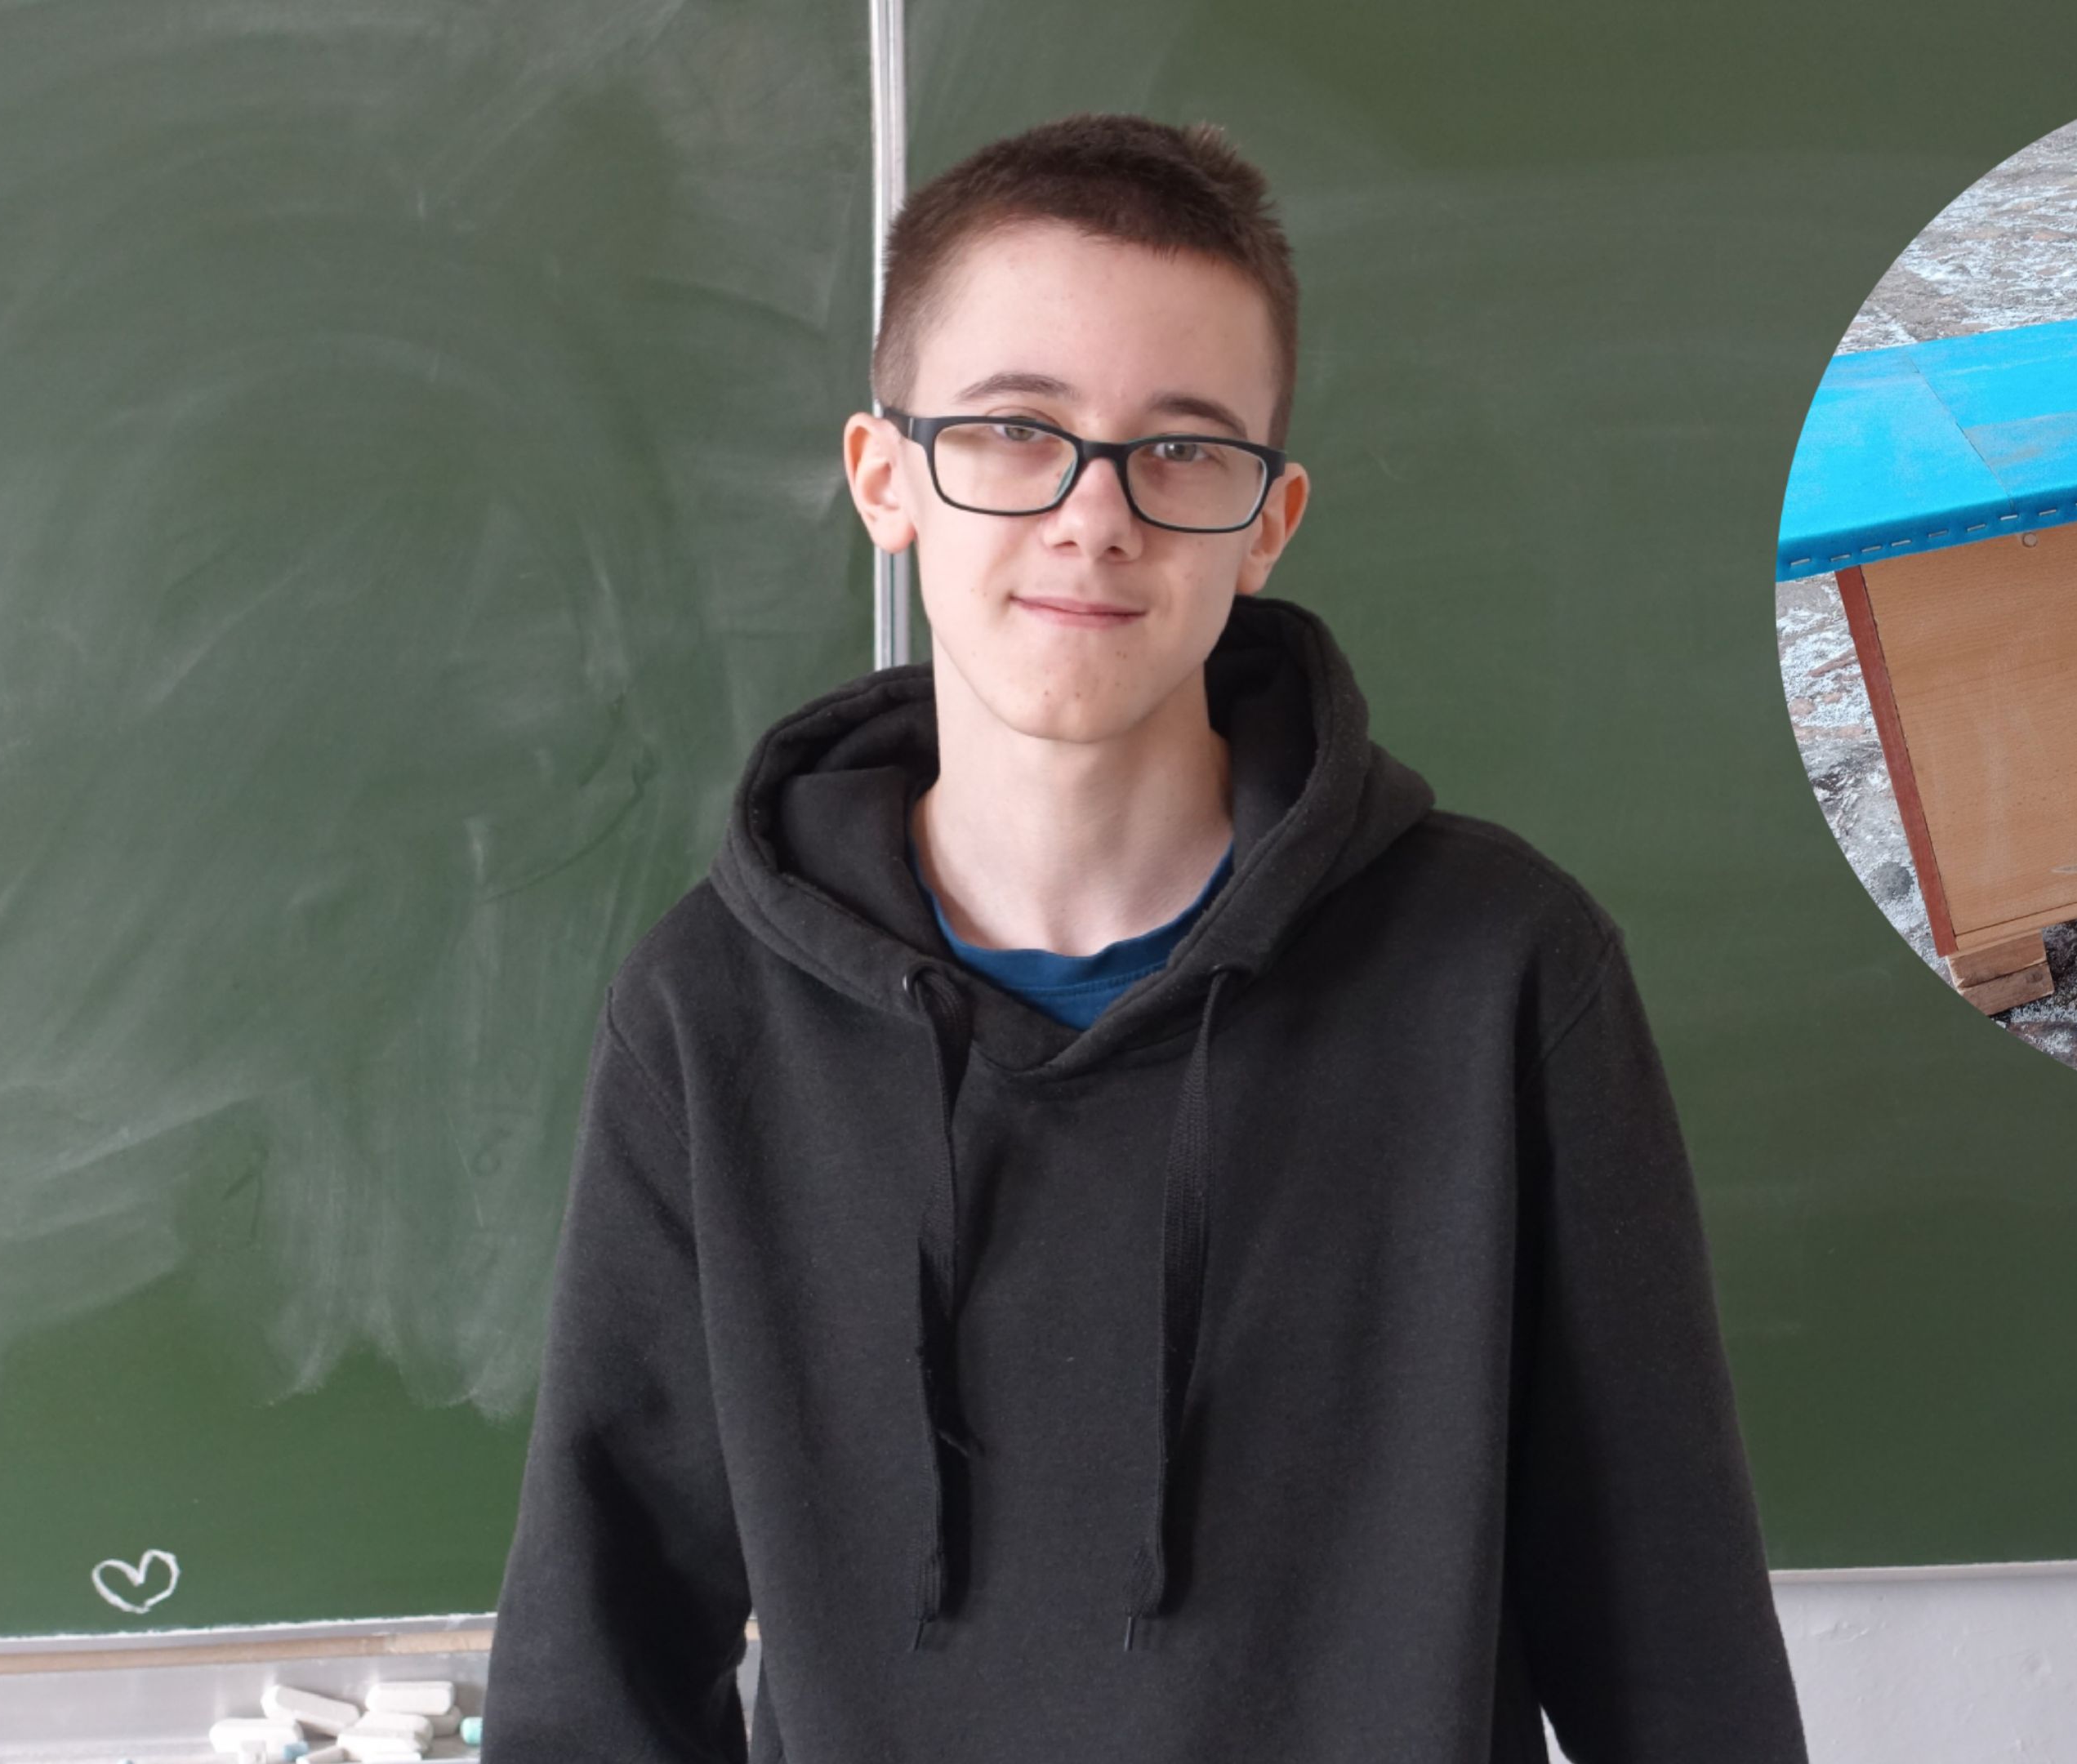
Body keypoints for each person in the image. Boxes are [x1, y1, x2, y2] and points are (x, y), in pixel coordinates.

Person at [482, 113, 1809, 1763]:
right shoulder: (713, 1013)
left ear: (1270, 519)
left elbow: (1671, 1647)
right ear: (887, 478)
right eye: (1014, 431)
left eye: (1180, 450)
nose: (1094, 516)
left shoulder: (1502, 976)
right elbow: (597, 1665)